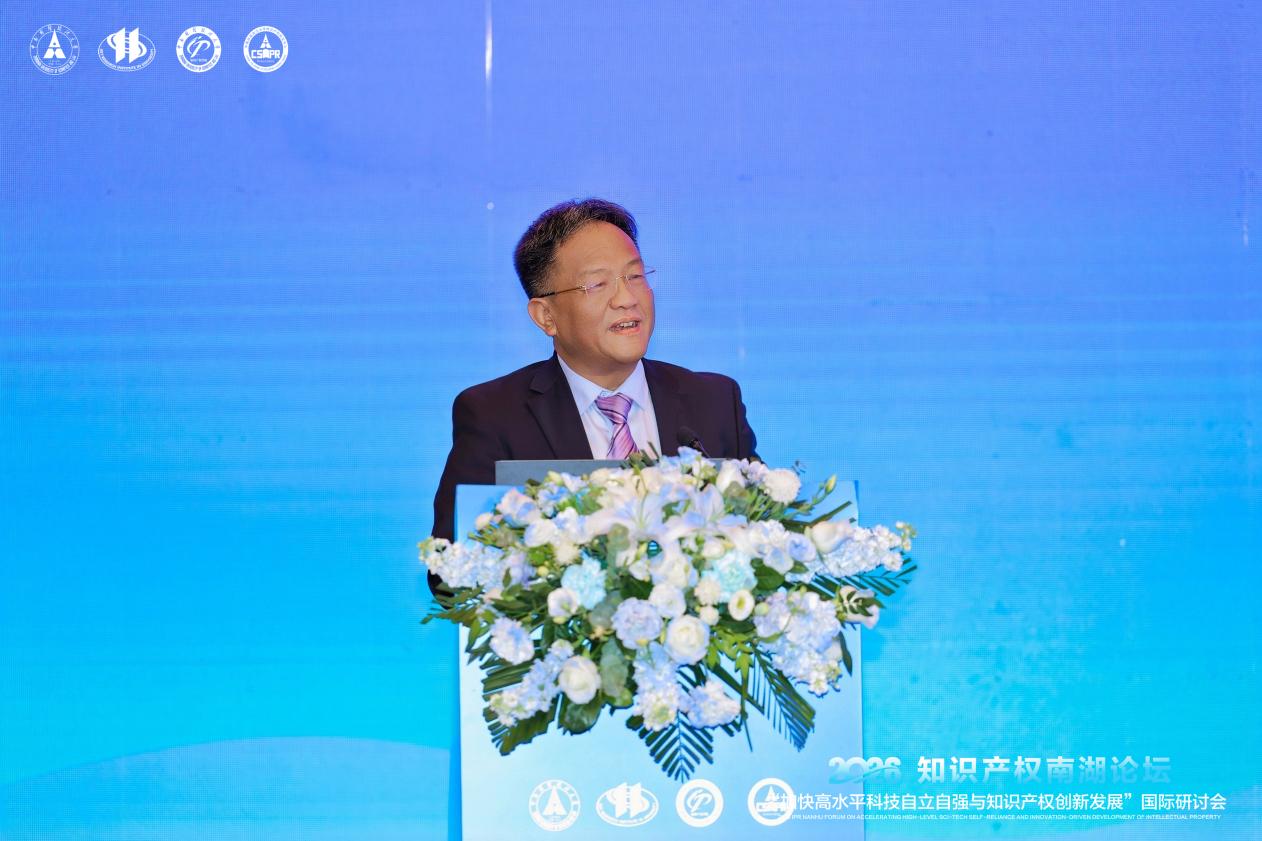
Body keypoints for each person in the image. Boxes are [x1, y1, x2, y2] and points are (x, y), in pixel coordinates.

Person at [430, 198, 758, 553]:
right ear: (545, 316)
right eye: (597, 284)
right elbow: (452, 566)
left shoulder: (713, 401)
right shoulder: (495, 415)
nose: (627, 298)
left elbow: (765, 535)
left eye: (635, 276)